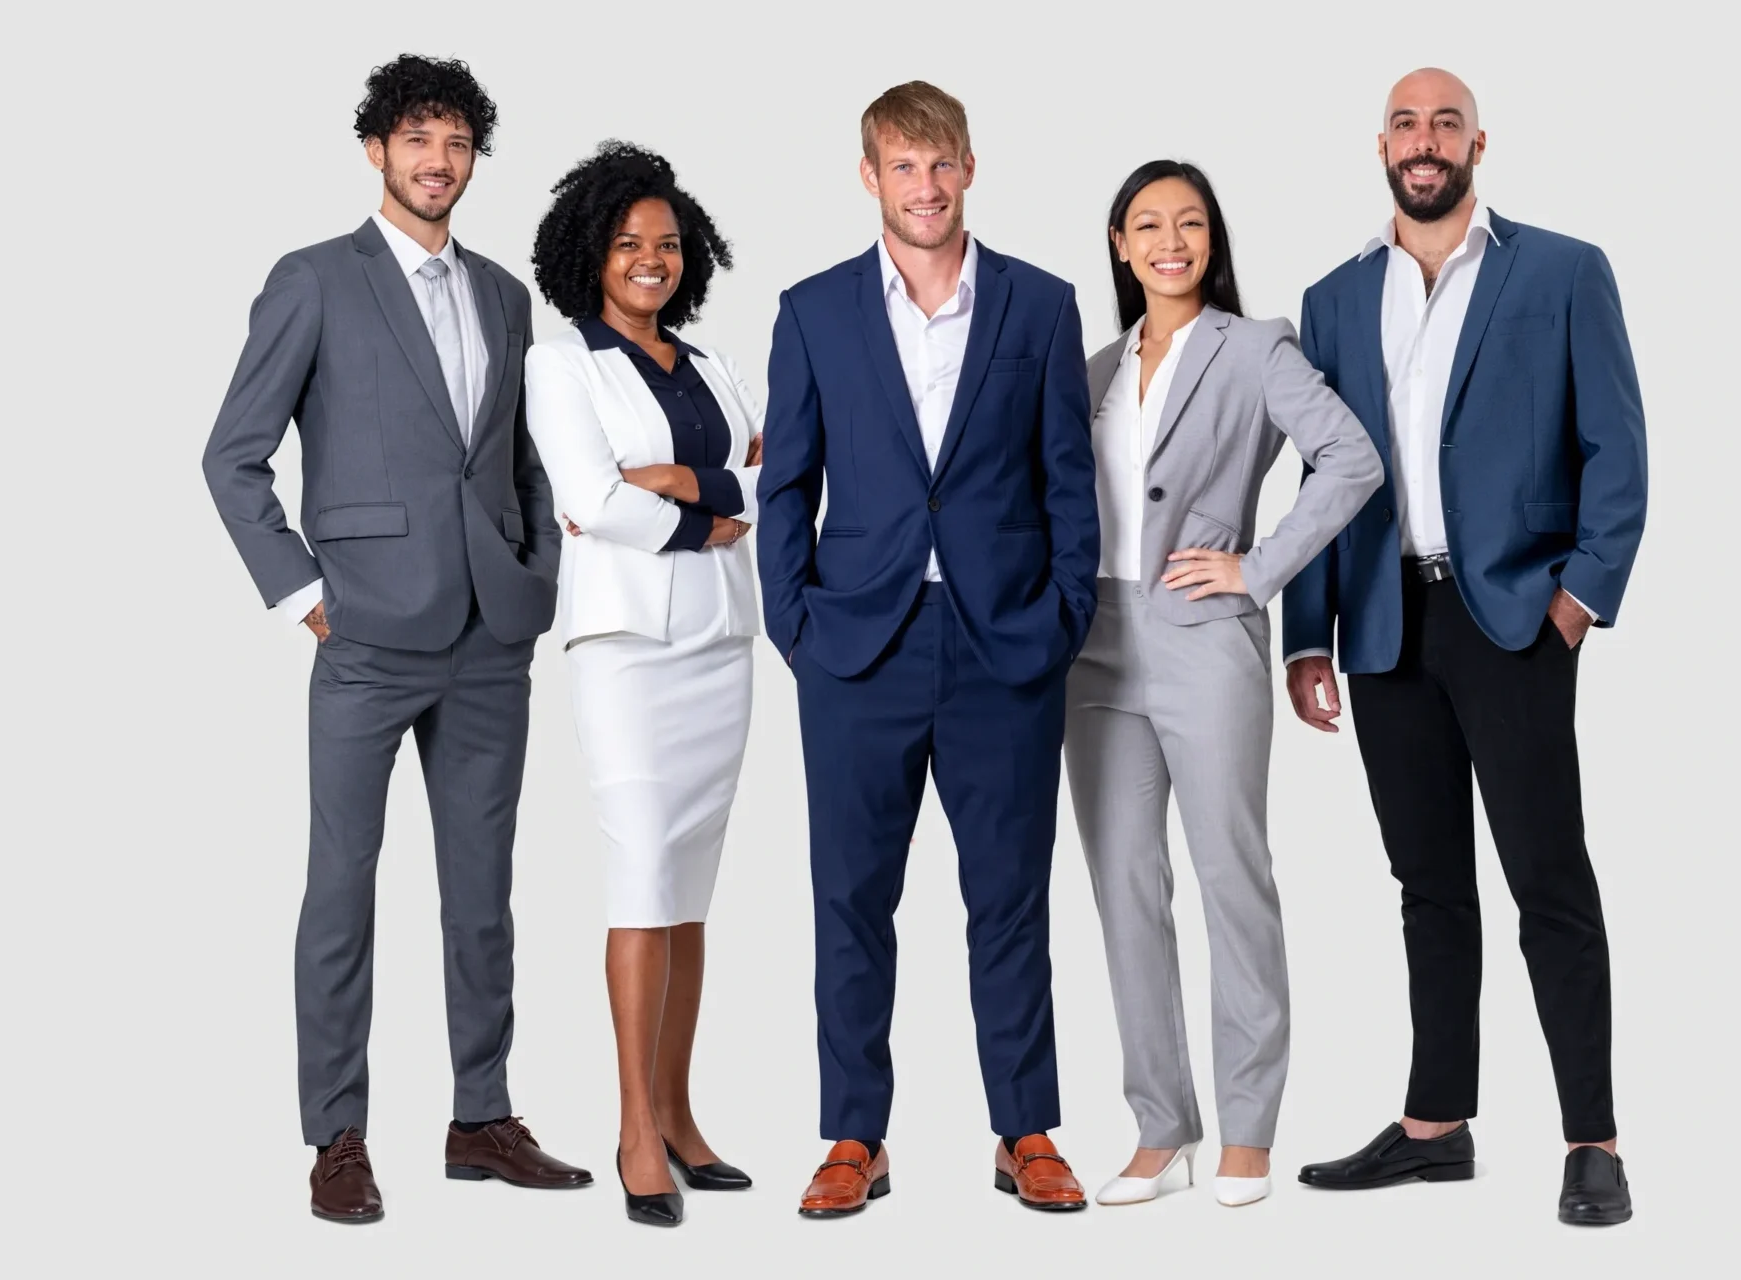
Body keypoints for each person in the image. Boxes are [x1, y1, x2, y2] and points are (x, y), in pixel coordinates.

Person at [201, 54, 592, 1224]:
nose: (439, 161)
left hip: (490, 638)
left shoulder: (506, 296)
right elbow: (233, 455)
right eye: (418, 139)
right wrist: (299, 593)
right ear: (376, 149)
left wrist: (537, 574)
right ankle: (337, 1134)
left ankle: (481, 1116)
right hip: (366, 634)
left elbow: (520, 461)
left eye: (458, 142)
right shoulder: (316, 279)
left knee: (483, 893)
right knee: (341, 888)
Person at [1283, 68, 1647, 1226]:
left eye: (1446, 122)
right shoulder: (1334, 298)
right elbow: (1320, 477)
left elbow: (1618, 449)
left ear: (1478, 144)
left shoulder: (1562, 271)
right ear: (1381, 146)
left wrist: (1577, 600)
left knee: (1549, 878)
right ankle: (1436, 1125)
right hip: (1385, 623)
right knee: (1426, 883)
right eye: (1406, 122)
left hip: (1514, 618)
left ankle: (1593, 1140)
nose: (1425, 140)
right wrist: (1308, 632)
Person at [756, 80, 1099, 1216]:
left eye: (942, 162)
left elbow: (1068, 481)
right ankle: (855, 1134)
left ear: (970, 167)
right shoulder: (813, 311)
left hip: (1008, 645)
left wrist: (1062, 618)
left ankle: (1025, 1128)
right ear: (870, 177)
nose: (926, 185)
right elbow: (787, 483)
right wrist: (797, 627)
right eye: (903, 165)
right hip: (857, 646)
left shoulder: (1041, 305)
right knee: (851, 899)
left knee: (1010, 897)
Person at [1070, 161, 1382, 1209]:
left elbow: (1350, 458)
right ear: (1121, 245)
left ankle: (1249, 1127)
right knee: (1124, 885)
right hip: (1095, 645)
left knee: (1230, 877)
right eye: (1149, 225)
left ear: (1212, 239)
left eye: (1191, 223)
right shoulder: (1096, 367)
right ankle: (1162, 1127)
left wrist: (1258, 568)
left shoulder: (1254, 348)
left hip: (1204, 638)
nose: (1172, 241)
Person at [524, 141, 759, 1228]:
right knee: (640, 873)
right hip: (626, 648)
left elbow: (776, 471)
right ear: (593, 254)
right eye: (628, 244)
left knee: (691, 887)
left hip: (721, 642)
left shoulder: (712, 364)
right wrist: (708, 516)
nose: (651, 260)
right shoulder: (562, 365)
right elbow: (591, 499)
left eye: (667, 243)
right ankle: (632, 1127)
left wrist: (685, 480)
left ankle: (678, 1110)